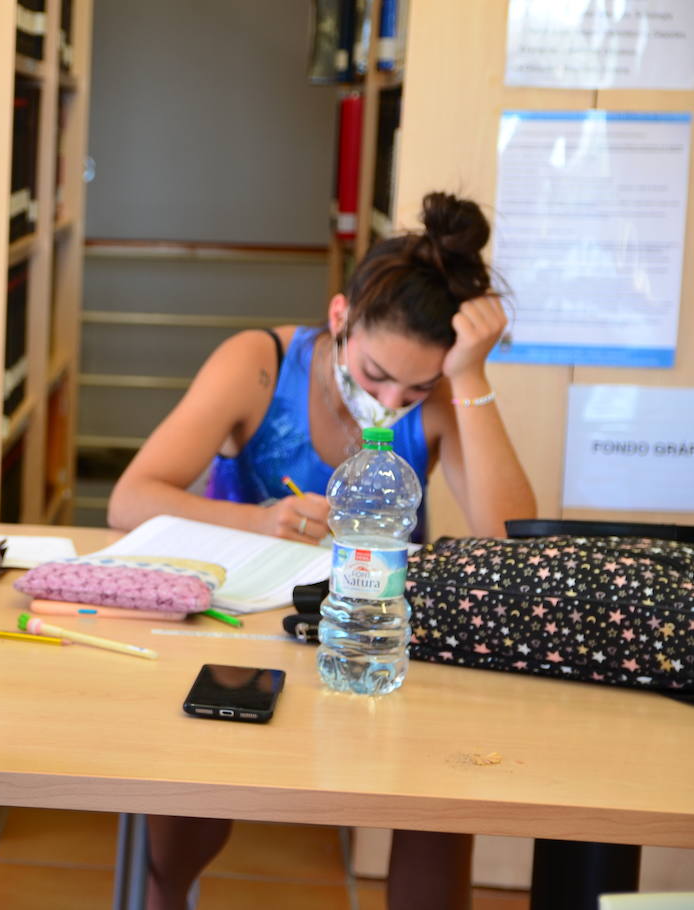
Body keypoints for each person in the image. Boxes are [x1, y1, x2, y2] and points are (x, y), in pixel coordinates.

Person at [108, 192, 537, 910]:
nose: (390, 400)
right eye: (374, 375)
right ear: (340, 319)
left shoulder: (439, 399)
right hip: (246, 634)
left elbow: (511, 545)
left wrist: (467, 379)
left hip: (374, 637)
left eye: (416, 385)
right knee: (183, 826)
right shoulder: (261, 362)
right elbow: (132, 498)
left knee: (437, 817)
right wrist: (261, 519)